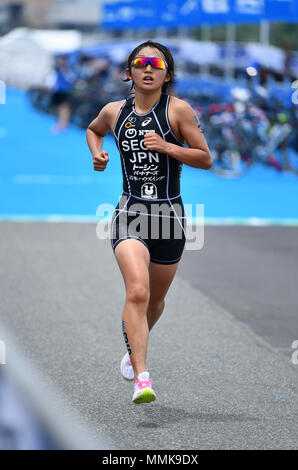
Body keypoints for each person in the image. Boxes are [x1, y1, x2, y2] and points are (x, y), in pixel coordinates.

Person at [86, 40, 212, 404]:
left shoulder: (179, 111)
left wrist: (168, 146)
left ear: (167, 74)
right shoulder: (113, 111)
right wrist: (98, 154)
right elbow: (94, 130)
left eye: (155, 64)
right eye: (139, 63)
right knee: (137, 291)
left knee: (155, 302)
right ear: (129, 72)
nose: (147, 69)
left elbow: (205, 158)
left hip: (170, 217)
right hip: (130, 213)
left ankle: (131, 350)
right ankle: (143, 376)